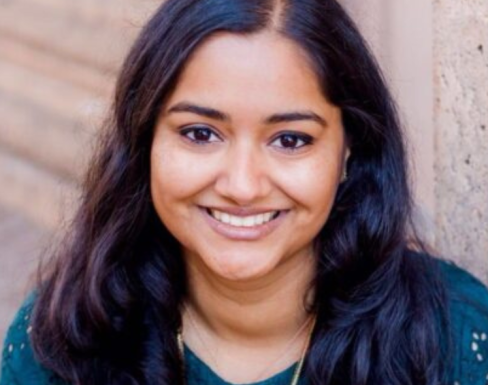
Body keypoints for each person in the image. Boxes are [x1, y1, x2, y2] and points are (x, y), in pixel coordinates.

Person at [2, 0, 488, 384]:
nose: (242, 185)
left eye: (291, 140)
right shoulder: (66, 340)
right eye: (200, 133)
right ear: (145, 140)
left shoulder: (456, 341)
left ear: (348, 153)